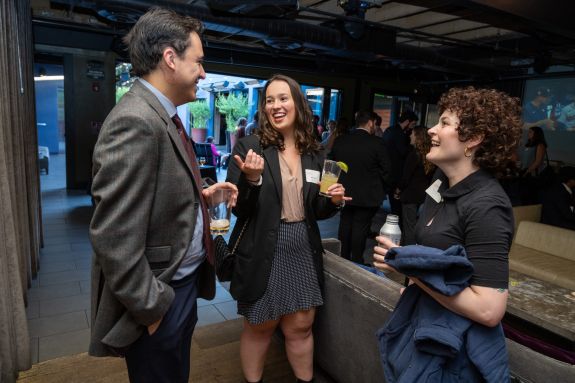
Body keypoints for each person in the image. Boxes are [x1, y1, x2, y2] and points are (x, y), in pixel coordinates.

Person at [88, 8, 238, 383]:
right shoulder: (135, 121)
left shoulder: (162, 114)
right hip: (159, 293)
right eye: (199, 62)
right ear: (170, 59)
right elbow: (113, 236)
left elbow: (153, 196)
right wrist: (152, 309)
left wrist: (201, 196)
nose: (203, 73)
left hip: (178, 284)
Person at [374, 86, 522, 376]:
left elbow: (489, 310)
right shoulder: (440, 183)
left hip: (455, 354)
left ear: (474, 139)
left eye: (444, 123)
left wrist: (412, 269)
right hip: (423, 328)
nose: (431, 129)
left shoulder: (488, 206)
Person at [226, 74, 349, 383]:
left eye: (283, 98)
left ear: (297, 103)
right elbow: (239, 209)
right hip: (262, 248)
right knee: (260, 326)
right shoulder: (249, 146)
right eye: (269, 100)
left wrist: (332, 201)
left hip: (302, 250)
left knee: (301, 326)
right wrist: (251, 180)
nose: (276, 106)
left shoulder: (315, 153)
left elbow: (316, 210)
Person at [330, 110, 393, 264]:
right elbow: (387, 170)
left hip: (343, 193)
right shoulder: (377, 143)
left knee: (345, 224)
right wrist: (382, 187)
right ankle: (356, 261)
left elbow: (332, 165)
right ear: (371, 123)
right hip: (368, 195)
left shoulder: (341, 140)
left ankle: (342, 258)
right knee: (361, 228)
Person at [396, 125, 435, 245]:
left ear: (418, 137)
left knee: (409, 228)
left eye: (412, 134)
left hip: (410, 196)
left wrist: (398, 190)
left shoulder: (413, 155)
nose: (410, 136)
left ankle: (407, 254)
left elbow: (405, 178)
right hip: (424, 197)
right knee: (418, 227)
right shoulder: (430, 156)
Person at [383, 110, 419, 217]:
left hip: (387, 172)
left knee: (394, 205)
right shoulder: (399, 134)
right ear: (407, 121)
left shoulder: (389, 130)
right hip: (395, 175)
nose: (412, 128)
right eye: (412, 124)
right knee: (397, 208)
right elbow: (404, 152)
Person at [520, 126, 549, 204]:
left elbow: (538, 162)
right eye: (528, 132)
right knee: (524, 196)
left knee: (531, 197)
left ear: (536, 134)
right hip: (525, 173)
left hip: (533, 175)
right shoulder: (528, 144)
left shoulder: (540, 145)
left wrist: (526, 172)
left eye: (530, 132)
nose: (528, 134)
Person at [541, 166, 575, 230]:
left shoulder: (560, 188)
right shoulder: (560, 193)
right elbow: (568, 215)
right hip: (554, 226)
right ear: (570, 180)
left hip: (557, 222)